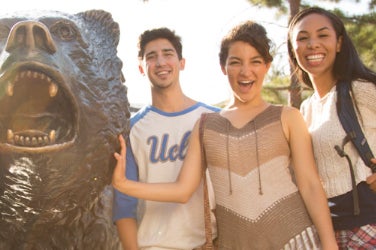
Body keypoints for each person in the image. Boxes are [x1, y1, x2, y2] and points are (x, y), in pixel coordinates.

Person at [113, 20, 338, 249]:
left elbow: (310, 184)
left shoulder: (288, 117)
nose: (245, 71)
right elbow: (182, 190)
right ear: (223, 67)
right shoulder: (206, 125)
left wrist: (330, 245)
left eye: (256, 62)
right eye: (235, 62)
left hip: (294, 239)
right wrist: (123, 184)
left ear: (267, 66)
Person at [112, 27, 219, 249]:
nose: (160, 62)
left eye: (168, 54)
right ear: (141, 68)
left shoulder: (213, 118)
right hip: (153, 244)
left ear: (182, 63)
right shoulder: (132, 130)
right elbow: (124, 205)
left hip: (206, 242)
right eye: (151, 57)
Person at [287, 6, 376, 249]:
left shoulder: (361, 90)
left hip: (369, 225)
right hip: (329, 232)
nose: (312, 44)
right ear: (294, 51)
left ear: (339, 43)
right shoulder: (304, 110)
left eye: (322, 35)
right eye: (302, 38)